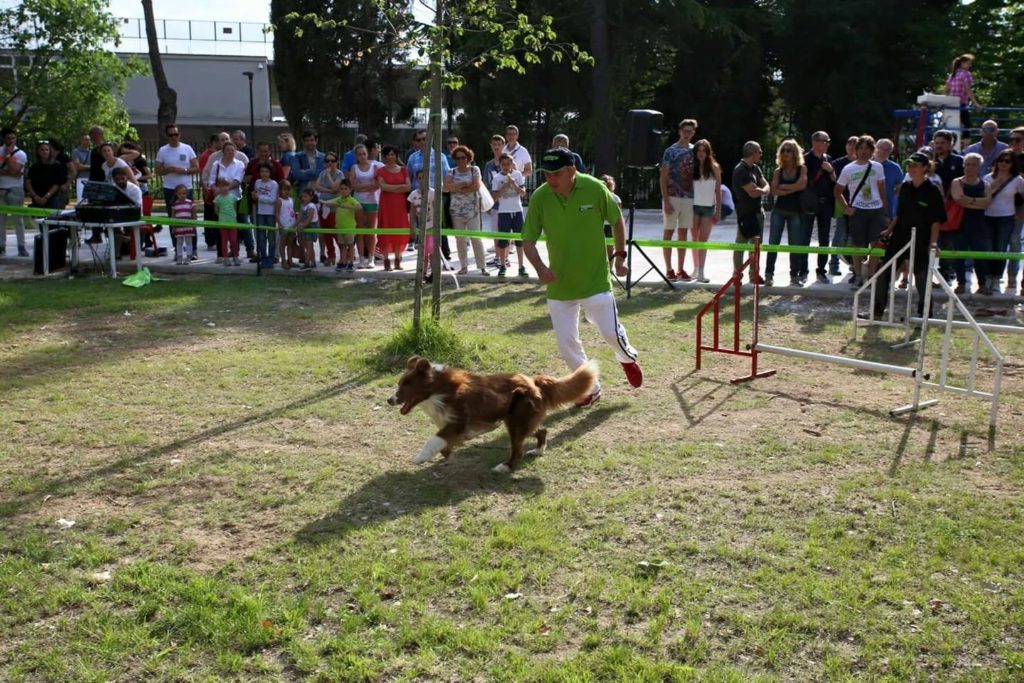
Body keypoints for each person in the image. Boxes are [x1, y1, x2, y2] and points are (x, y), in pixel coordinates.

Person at [522, 148, 642, 408]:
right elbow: (528, 240)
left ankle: (627, 358)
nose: (550, 179)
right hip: (559, 285)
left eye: (555, 174)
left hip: (595, 281)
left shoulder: (595, 188)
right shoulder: (541, 197)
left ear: (571, 171)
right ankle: (590, 390)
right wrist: (540, 268)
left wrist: (620, 256)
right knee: (566, 345)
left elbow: (617, 220)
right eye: (546, 174)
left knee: (611, 333)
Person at [874, 152, 946, 319]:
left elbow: (936, 220)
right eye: (910, 166)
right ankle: (876, 310)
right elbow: (899, 214)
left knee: (921, 278)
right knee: (883, 272)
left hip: (921, 239)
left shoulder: (932, 191)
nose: (911, 169)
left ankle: (925, 313)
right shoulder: (905, 187)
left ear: (925, 168)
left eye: (915, 165)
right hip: (899, 237)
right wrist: (888, 231)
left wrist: (933, 243)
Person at [834, 135, 888, 288]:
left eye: (867, 149)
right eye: (861, 148)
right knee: (857, 245)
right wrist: (846, 208)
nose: (864, 152)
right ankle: (858, 275)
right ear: (856, 150)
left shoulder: (877, 167)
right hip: (858, 210)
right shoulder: (848, 168)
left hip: (875, 209)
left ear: (872, 151)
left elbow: (882, 190)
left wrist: (885, 212)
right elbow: (837, 191)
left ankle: (872, 275)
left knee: (875, 244)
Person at [659, 118, 697, 281]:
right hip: (673, 195)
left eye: (691, 131)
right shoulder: (671, 151)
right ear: (680, 131)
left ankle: (681, 268)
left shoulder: (695, 150)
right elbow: (663, 176)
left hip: (689, 197)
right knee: (669, 231)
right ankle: (669, 268)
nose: (688, 134)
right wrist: (666, 200)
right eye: (685, 131)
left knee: (683, 232)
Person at [767, 139, 808, 287]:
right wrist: (793, 188)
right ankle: (769, 274)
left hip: (796, 211)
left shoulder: (801, 169)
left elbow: (802, 185)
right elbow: (774, 190)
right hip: (779, 210)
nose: (786, 153)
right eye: (783, 150)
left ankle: (794, 276)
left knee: (795, 244)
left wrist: (784, 187)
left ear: (795, 153)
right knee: (773, 243)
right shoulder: (778, 171)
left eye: (789, 150)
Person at [982, 149, 1024, 293]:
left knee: (1000, 248)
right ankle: (988, 277)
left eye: (1008, 161)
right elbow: (983, 196)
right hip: (988, 217)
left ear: (1013, 164)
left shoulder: (1017, 180)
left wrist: (1020, 214)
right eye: (1001, 160)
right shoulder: (988, 178)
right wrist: (995, 185)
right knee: (988, 248)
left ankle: (996, 279)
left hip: (1006, 217)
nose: (1004, 164)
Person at [444, 144, 489, 276]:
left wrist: (456, 187)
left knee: (476, 238)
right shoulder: (451, 172)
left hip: (473, 209)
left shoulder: (474, 170)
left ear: (468, 157)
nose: (461, 160)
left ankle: (482, 267)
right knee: (460, 240)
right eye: (458, 158)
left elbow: (475, 186)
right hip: (456, 210)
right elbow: (447, 187)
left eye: (463, 158)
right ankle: (463, 266)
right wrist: (464, 184)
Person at [950, 153, 990, 293]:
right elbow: (959, 199)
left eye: (973, 165)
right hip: (960, 223)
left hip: (979, 224)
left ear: (980, 167)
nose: (970, 167)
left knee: (980, 255)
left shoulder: (985, 184)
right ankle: (961, 283)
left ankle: (982, 284)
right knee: (959, 255)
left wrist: (969, 200)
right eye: (967, 164)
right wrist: (977, 202)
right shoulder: (957, 182)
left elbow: (987, 203)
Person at [731, 141, 770, 283]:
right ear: (752, 153)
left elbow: (766, 186)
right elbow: (753, 193)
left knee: (756, 247)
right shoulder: (740, 170)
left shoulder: (755, 168)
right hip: (746, 213)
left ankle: (754, 274)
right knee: (740, 245)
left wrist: (761, 190)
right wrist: (760, 190)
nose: (761, 154)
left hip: (758, 212)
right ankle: (737, 274)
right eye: (759, 152)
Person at [802, 131, 836, 283]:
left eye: (828, 141)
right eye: (825, 141)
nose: (827, 144)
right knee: (805, 238)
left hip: (825, 203)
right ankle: (803, 271)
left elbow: (835, 180)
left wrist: (830, 170)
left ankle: (821, 271)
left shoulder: (828, 159)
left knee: (824, 239)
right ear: (815, 142)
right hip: (809, 203)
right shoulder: (804, 159)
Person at [206, 142, 245, 264]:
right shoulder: (216, 164)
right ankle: (221, 254)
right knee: (220, 229)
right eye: (228, 150)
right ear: (223, 151)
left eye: (233, 150)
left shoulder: (239, 164)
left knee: (235, 229)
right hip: (219, 200)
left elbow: (238, 180)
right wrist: (216, 190)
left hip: (234, 199)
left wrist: (226, 190)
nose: (230, 152)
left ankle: (235, 254)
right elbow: (211, 180)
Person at [490, 153, 527, 279]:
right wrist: (504, 187)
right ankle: (502, 266)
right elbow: (494, 197)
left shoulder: (517, 175)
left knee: (519, 240)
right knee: (503, 241)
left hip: (517, 211)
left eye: (508, 164)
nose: (506, 167)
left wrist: (514, 185)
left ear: (512, 164)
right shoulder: (496, 178)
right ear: (500, 165)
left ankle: (521, 266)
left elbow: (522, 193)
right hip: (503, 212)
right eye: (503, 164)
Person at [375, 144, 411, 271]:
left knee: (399, 230)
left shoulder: (403, 169)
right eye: (388, 154)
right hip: (386, 205)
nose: (391, 157)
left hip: (400, 205)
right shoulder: (381, 171)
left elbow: (408, 187)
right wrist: (398, 187)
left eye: (393, 154)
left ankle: (397, 259)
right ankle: (385, 260)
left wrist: (392, 188)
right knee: (386, 230)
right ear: (384, 156)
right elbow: (383, 187)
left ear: (396, 156)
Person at [690, 139, 722, 284]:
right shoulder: (692, 167)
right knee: (694, 238)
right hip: (694, 206)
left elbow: (718, 190)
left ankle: (702, 271)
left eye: (703, 150)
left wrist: (718, 210)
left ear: (708, 152)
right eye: (698, 150)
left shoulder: (714, 167)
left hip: (708, 207)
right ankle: (695, 268)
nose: (701, 153)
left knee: (703, 240)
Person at [348, 143, 382, 269]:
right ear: (356, 156)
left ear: (367, 154)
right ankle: (362, 258)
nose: (362, 156)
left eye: (364, 153)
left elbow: (377, 185)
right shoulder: (354, 168)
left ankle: (371, 258)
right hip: (358, 201)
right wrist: (367, 186)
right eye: (359, 154)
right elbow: (352, 185)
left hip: (372, 201)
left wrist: (362, 186)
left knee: (371, 230)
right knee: (360, 230)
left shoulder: (374, 167)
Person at [322, 179, 362, 272]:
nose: (343, 191)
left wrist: (347, 206)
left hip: (349, 228)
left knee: (350, 246)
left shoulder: (352, 200)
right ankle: (343, 262)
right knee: (342, 246)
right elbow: (330, 202)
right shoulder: (339, 199)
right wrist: (323, 202)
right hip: (339, 228)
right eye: (341, 189)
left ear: (350, 190)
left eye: (345, 189)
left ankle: (351, 263)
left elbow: (359, 207)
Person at [314, 153, 345, 266]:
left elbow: (335, 187)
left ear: (337, 162)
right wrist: (328, 191)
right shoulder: (322, 173)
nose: (330, 163)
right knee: (326, 233)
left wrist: (328, 176)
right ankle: (331, 256)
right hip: (324, 207)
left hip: (335, 209)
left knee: (336, 234)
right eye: (327, 161)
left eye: (333, 161)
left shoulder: (339, 174)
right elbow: (317, 186)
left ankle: (343, 256)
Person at [407, 170, 437, 282]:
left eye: (424, 177)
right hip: (421, 228)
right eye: (419, 178)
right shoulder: (413, 195)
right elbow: (412, 212)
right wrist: (412, 227)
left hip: (432, 227)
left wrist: (436, 226)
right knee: (423, 251)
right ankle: (423, 273)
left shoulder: (433, 193)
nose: (422, 180)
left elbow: (437, 210)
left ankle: (434, 273)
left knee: (432, 251)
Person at [944, 53, 981, 138]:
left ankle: (956, 144)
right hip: (961, 103)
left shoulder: (953, 74)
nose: (970, 65)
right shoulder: (966, 74)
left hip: (952, 103)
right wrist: (976, 103)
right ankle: (965, 146)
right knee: (967, 126)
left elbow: (946, 90)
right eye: (968, 63)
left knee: (954, 127)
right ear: (962, 63)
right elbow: (968, 89)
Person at [251, 162, 280, 268]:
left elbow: (272, 199)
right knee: (261, 237)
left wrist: (259, 197)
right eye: (262, 171)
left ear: (270, 173)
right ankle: (264, 257)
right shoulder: (257, 182)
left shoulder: (274, 184)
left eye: (266, 171)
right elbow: (256, 195)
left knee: (271, 237)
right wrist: (255, 196)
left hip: (270, 213)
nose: (264, 174)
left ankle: (271, 258)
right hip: (260, 213)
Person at [26, 141, 67, 211]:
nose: (44, 152)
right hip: (36, 197)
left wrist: (46, 197)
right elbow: (28, 182)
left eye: (46, 150)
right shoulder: (34, 166)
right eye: (42, 150)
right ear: (38, 151)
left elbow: (57, 184)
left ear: (50, 151)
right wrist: (35, 196)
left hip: (52, 198)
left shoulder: (56, 165)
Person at [198, 134, 221, 252]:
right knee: (210, 215)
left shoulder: (220, 155)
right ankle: (210, 240)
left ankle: (217, 239)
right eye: (219, 141)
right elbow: (204, 174)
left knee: (217, 215)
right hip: (209, 191)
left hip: (219, 191)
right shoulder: (206, 156)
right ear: (213, 142)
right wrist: (206, 190)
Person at [212, 178, 240, 266]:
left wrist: (233, 216)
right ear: (219, 187)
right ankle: (226, 258)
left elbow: (235, 208)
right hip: (223, 222)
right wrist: (222, 217)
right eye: (221, 186)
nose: (224, 188)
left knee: (233, 240)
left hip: (232, 222)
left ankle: (236, 257)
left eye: (226, 185)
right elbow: (216, 211)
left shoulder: (233, 197)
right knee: (224, 241)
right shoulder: (217, 199)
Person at [170, 183, 197, 265]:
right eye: (180, 194)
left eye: (184, 193)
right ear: (176, 194)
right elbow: (173, 217)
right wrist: (173, 227)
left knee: (189, 242)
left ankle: (188, 257)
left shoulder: (190, 203)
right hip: (179, 228)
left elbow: (194, 215)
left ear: (187, 193)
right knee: (179, 243)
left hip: (188, 227)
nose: (182, 195)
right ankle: (179, 257)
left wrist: (194, 225)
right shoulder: (175, 204)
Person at [295, 187, 320, 270]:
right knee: (308, 245)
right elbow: (300, 217)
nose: (303, 198)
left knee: (309, 245)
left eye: (305, 196)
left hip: (311, 227)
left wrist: (303, 225)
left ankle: (308, 262)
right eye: (302, 196)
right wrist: (294, 225)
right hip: (305, 227)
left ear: (311, 197)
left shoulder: (311, 206)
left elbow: (309, 218)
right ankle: (313, 262)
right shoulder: (303, 206)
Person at [275, 180, 297, 270]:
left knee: (290, 244)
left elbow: (292, 211)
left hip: (291, 225)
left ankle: (290, 260)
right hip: (284, 226)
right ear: (280, 190)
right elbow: (276, 213)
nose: (287, 192)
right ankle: (283, 260)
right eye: (284, 190)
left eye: (288, 189)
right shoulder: (279, 201)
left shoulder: (291, 200)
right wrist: (279, 224)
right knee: (283, 244)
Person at [71, 134, 91, 202]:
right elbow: (78, 166)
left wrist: (84, 167)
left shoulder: (91, 152)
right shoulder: (75, 152)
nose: (88, 141)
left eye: (89, 140)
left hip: (91, 179)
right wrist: (92, 167)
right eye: (86, 139)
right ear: (81, 140)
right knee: (81, 200)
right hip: (81, 179)